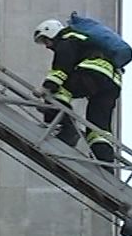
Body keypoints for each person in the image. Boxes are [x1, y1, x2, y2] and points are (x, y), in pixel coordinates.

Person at [31, 18, 122, 164]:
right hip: (112, 82)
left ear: (52, 32)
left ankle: (68, 131)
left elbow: (61, 68)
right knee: (98, 127)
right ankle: (106, 165)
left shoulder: (67, 40)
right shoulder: (83, 41)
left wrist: (46, 87)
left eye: (45, 40)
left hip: (93, 72)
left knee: (56, 93)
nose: (47, 46)